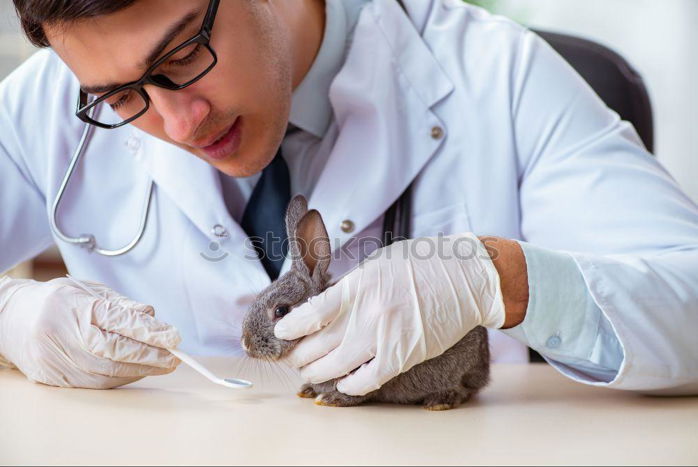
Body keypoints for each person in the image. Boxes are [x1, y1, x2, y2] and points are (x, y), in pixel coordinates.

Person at [0, 0, 696, 394]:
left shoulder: (496, 75)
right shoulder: (50, 104)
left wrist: (502, 279)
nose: (178, 124)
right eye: (122, 96)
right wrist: (10, 319)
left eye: (184, 54)